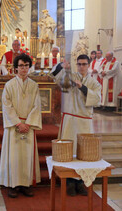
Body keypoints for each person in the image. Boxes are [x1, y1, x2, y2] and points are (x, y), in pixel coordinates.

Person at [51, 54, 101, 196]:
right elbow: (53, 75)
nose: (81, 67)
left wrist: (82, 86)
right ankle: (69, 183)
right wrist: (62, 66)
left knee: (83, 153)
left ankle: (80, 182)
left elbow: (97, 99)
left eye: (84, 64)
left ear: (89, 65)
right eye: (79, 64)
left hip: (84, 122)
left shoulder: (94, 83)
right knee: (69, 152)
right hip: (70, 121)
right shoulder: (70, 75)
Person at [0, 54, 42, 198]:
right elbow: (7, 106)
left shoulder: (34, 85)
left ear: (29, 67)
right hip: (14, 126)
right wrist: (18, 123)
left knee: (27, 156)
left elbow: (37, 106)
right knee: (14, 156)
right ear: (16, 68)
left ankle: (26, 184)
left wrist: (27, 123)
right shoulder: (9, 85)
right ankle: (13, 185)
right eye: (21, 66)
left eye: (26, 65)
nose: (24, 69)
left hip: (28, 126)